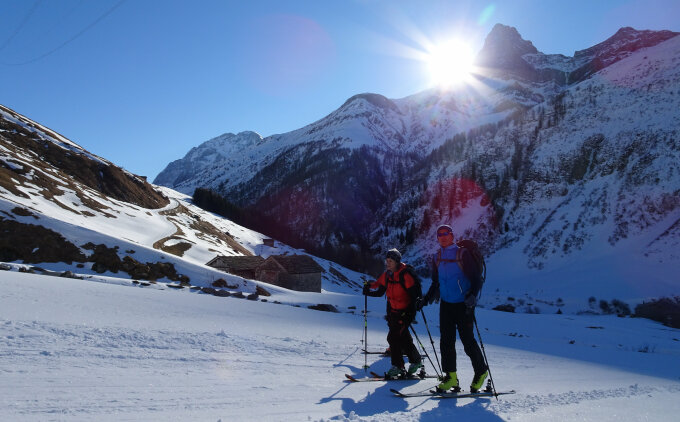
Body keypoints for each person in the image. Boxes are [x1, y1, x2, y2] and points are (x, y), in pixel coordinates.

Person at [418, 224, 488, 393]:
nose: (442, 236)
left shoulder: (462, 254)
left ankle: (481, 371)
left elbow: (476, 279)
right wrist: (425, 299)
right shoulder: (437, 256)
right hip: (446, 305)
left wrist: (472, 296)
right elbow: (436, 282)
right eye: (439, 234)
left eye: (446, 233)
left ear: (452, 236)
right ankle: (451, 377)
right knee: (446, 342)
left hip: (464, 305)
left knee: (468, 342)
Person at [363, 248, 423, 379]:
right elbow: (379, 289)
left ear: (397, 261)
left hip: (405, 313)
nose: (387, 263)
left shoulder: (405, 275)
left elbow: (415, 296)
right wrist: (368, 288)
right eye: (387, 260)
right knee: (404, 338)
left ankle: (398, 366)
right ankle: (416, 361)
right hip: (393, 312)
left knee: (393, 338)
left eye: (390, 261)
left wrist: (409, 314)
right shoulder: (388, 275)